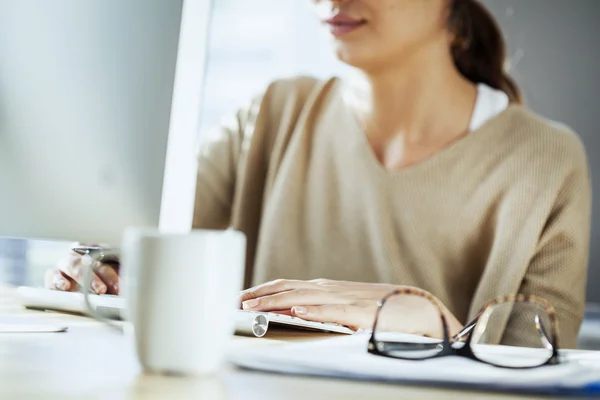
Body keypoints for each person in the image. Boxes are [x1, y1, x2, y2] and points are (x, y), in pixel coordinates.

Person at [45, 0, 591, 347]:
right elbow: (155, 243)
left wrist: (435, 325)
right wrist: (105, 268)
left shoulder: (544, 158)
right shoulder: (270, 114)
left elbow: (545, 357)